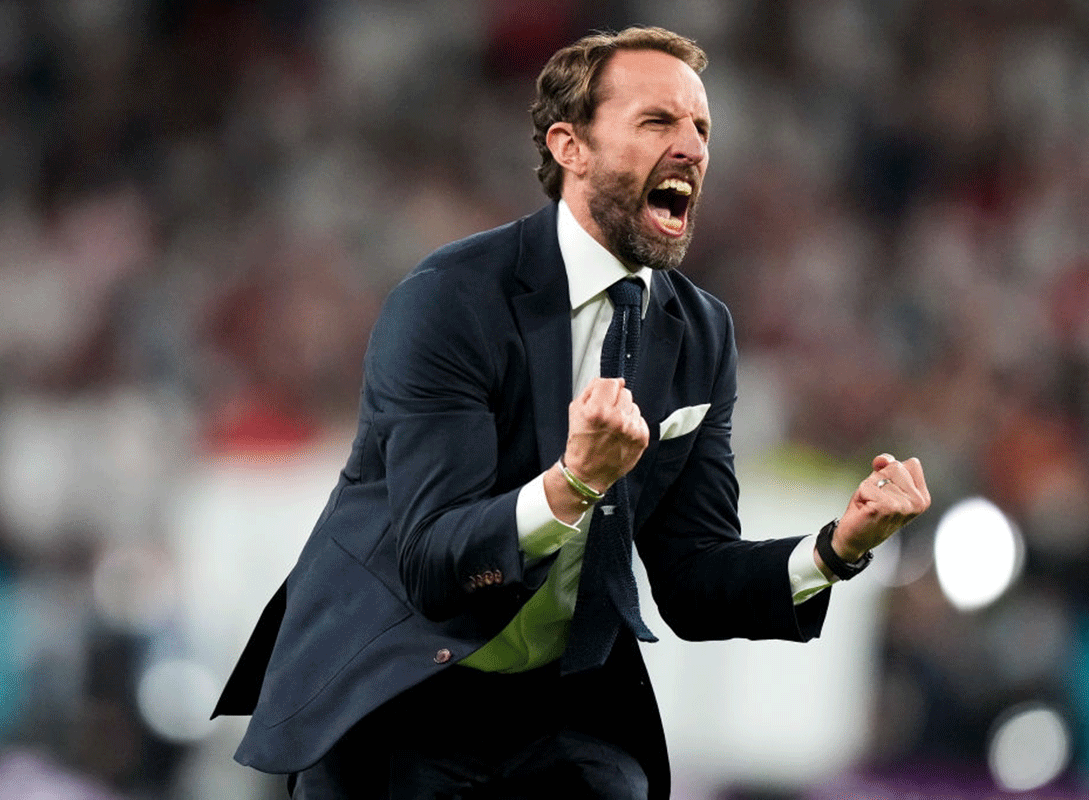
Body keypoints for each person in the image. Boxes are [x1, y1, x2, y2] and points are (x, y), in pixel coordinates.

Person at [212, 25, 930, 800]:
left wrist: (835, 550)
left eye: (701, 128)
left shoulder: (701, 333)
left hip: (564, 712)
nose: (691, 146)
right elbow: (431, 560)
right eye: (657, 122)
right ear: (570, 147)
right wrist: (573, 485)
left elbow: (690, 577)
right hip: (400, 690)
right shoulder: (450, 301)